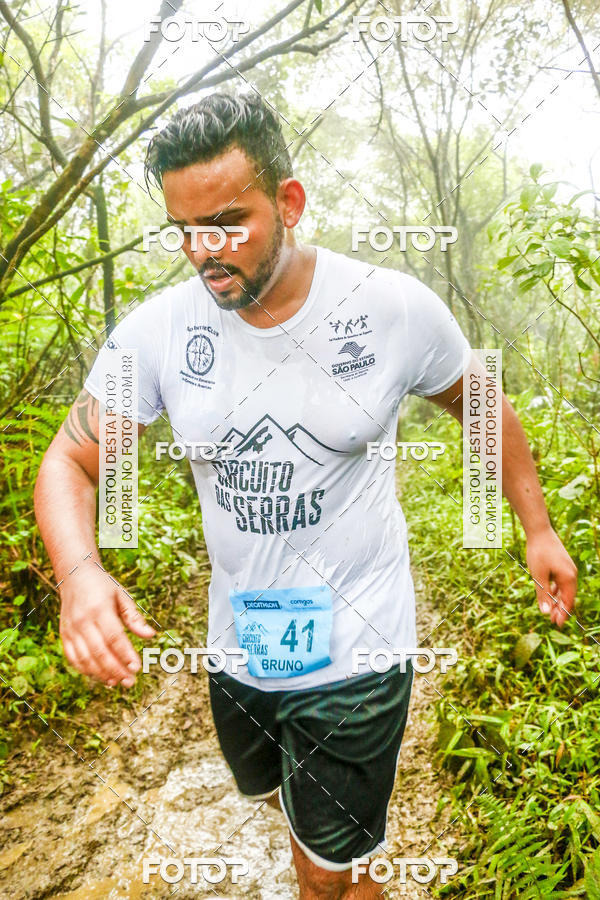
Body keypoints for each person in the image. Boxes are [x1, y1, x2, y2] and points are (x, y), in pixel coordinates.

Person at [34, 92, 578, 899]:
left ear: (288, 202)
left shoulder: (390, 308)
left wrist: (537, 529)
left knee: (315, 870)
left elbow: (483, 406)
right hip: (242, 642)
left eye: (227, 221)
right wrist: (80, 574)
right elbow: (70, 464)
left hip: (361, 643)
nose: (203, 251)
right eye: (186, 229)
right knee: (291, 811)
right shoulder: (155, 333)